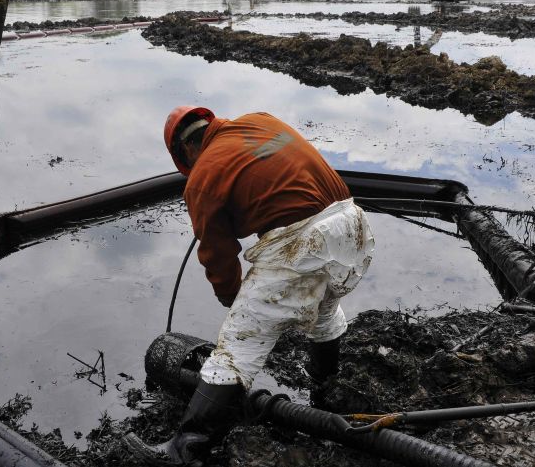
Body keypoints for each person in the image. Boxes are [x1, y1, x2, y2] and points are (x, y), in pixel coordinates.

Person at [126, 106, 374, 465]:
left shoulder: (203, 178)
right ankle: (325, 392)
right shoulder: (261, 121)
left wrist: (231, 298)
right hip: (354, 226)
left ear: (186, 152)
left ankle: (184, 451)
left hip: (304, 242)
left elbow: (217, 254)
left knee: (237, 346)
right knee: (324, 309)